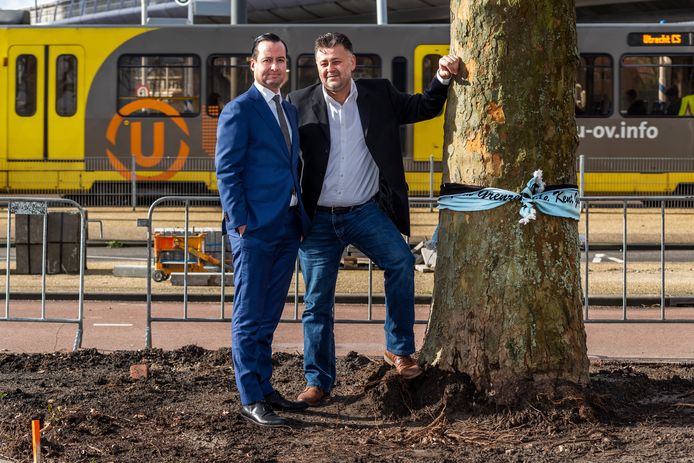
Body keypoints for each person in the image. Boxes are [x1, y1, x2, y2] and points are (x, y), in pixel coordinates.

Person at [287, 32, 460, 406]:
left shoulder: (379, 94)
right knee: (317, 301)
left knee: (400, 261)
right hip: (317, 220)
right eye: (323, 63)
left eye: (336, 61)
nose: (330, 69)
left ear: (352, 62)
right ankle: (318, 382)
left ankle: (398, 350)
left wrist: (443, 78)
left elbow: (423, 107)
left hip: (364, 211)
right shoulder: (298, 103)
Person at [215, 33, 312, 427]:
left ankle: (266, 387)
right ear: (251, 65)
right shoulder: (240, 110)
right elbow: (227, 171)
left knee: (269, 314)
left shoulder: (287, 110)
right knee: (249, 315)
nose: (275, 67)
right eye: (267, 60)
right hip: (254, 230)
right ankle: (250, 396)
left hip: (287, 226)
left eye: (281, 61)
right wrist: (240, 223)